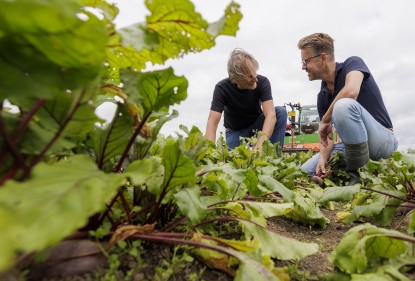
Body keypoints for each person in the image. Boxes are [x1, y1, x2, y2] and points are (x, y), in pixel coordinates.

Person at [297, 33, 398, 185]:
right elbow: (328, 137)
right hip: (350, 146)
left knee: (343, 106)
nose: (303, 67)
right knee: (303, 171)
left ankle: (359, 181)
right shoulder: (322, 96)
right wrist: (323, 158)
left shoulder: (352, 64)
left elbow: (351, 92)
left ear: (323, 58)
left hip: (382, 141)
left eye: (305, 61)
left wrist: (325, 119)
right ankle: (333, 175)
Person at [205, 48, 287, 152]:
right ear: (235, 79)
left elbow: (271, 115)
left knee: (280, 112)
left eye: (255, 73)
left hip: (257, 126)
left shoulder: (263, 82)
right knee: (233, 162)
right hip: (235, 132)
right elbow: (212, 122)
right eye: (249, 77)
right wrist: (210, 153)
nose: (255, 79)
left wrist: (259, 146)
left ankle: (274, 157)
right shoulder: (222, 88)